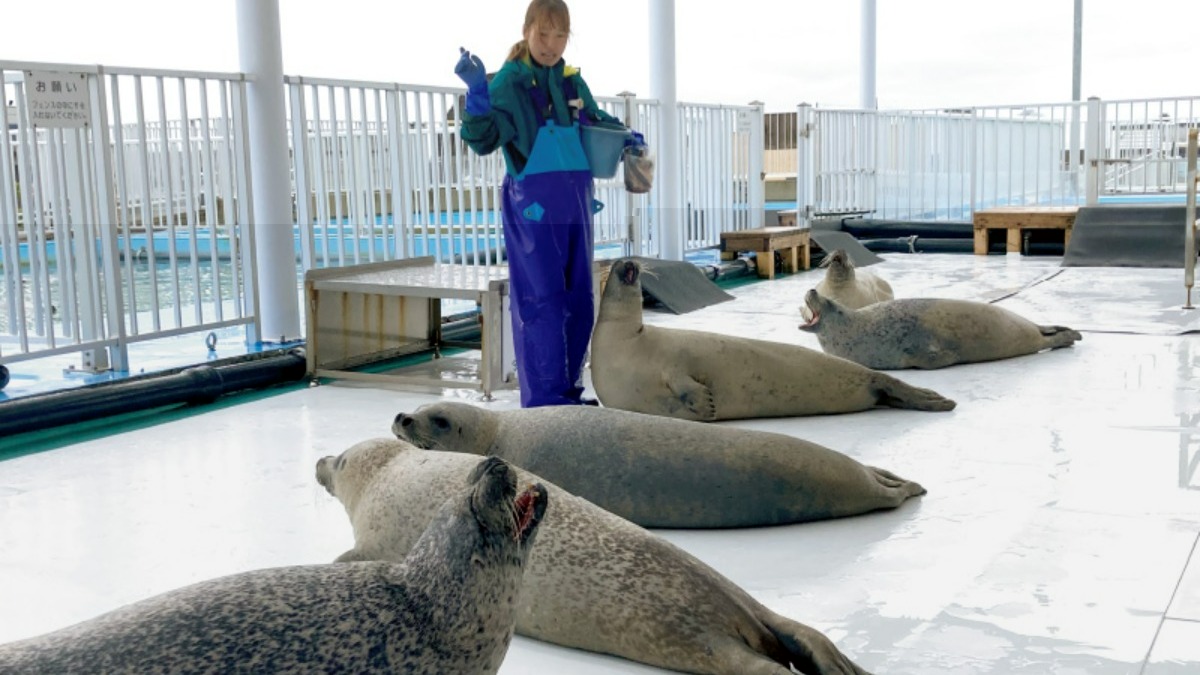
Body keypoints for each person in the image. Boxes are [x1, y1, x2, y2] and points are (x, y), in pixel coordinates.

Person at [455, 0, 645, 408]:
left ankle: (570, 391)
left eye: (560, 36)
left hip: (576, 201)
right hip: (533, 207)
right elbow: (483, 140)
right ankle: (544, 400)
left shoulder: (571, 81)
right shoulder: (510, 82)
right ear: (527, 30)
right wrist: (476, 96)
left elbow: (593, 120)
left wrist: (625, 135)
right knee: (542, 300)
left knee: (579, 298)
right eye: (544, 33)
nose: (551, 44)